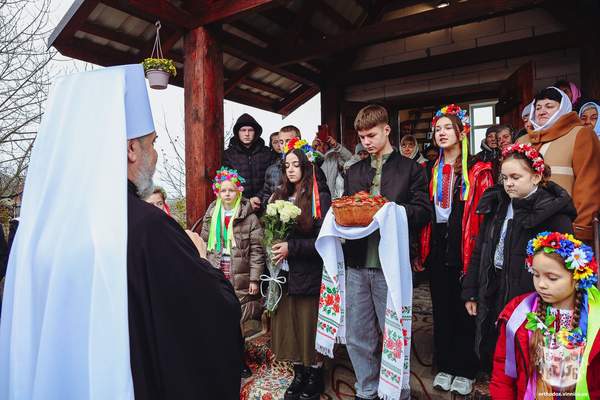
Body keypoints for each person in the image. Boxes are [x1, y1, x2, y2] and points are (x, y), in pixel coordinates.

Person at [0, 65, 242, 400]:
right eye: (152, 143)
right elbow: (211, 319)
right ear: (131, 149)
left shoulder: (36, 233)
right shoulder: (147, 229)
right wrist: (200, 260)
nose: (155, 155)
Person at [461, 143, 576, 373]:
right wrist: (471, 289)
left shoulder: (554, 215)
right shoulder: (498, 204)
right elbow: (480, 249)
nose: (508, 183)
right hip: (495, 287)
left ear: (536, 177)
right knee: (498, 350)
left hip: (530, 298)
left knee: (526, 358)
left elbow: (565, 268)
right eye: (504, 177)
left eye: (515, 176)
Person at [343, 104, 430, 400]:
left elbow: (423, 211)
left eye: (371, 135)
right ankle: (366, 389)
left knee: (395, 333)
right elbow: (345, 209)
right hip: (356, 263)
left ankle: (398, 392)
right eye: (362, 137)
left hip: (390, 265)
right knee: (358, 336)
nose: (366, 142)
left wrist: (390, 211)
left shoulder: (411, 169)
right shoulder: (354, 171)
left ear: (387, 129)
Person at [420, 104, 494, 395]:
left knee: (466, 306)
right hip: (438, 243)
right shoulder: (431, 168)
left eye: (447, 127)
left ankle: (465, 367)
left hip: (466, 244)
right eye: (437, 129)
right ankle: (445, 364)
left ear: (461, 132)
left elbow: (483, 215)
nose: (441, 133)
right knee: (441, 304)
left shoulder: (478, 169)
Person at [490, 232, 600, 399]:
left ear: (578, 278)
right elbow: (503, 375)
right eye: (536, 275)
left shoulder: (595, 320)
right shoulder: (519, 314)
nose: (541, 284)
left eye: (552, 278)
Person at [268, 138, 331, 400]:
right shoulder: (278, 195)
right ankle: (298, 374)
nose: (291, 170)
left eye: (296, 165)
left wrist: (290, 248)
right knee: (290, 326)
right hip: (284, 274)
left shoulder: (320, 196)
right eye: (287, 165)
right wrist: (272, 244)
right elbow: (270, 231)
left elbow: (323, 242)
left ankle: (315, 374)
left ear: (307, 167)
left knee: (308, 324)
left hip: (308, 271)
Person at [200, 167, 265, 379]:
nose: (227, 194)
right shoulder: (212, 213)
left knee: (237, 319)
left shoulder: (249, 217)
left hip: (240, 272)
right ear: (217, 192)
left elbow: (257, 250)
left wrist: (254, 278)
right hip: (217, 269)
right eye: (223, 190)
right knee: (219, 316)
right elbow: (204, 243)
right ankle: (221, 359)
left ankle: (239, 360)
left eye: (231, 190)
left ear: (239, 191)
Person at [518, 86, 600, 242]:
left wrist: (581, 228)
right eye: (538, 107)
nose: (542, 111)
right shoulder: (522, 141)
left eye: (549, 106)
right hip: (523, 227)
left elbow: (589, 186)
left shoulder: (580, 134)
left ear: (563, 109)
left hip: (562, 228)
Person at [223, 113, 276, 210]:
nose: (247, 134)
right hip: (239, 206)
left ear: (256, 132)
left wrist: (258, 197)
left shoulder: (268, 153)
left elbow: (271, 180)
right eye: (243, 130)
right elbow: (227, 183)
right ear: (237, 132)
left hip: (264, 204)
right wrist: (246, 202)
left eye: (250, 130)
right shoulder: (228, 155)